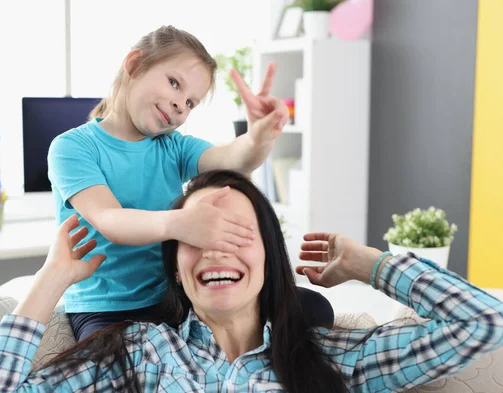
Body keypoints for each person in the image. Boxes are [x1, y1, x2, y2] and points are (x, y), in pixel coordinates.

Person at [0, 170, 503, 393]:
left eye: (239, 233)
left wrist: (368, 264)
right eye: (196, 235)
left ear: (270, 256)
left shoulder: (335, 359)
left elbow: (487, 321)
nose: (218, 248)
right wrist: (52, 278)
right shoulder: (140, 352)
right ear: (175, 266)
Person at [47, 25, 333, 340]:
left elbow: (232, 160)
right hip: (106, 306)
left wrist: (257, 137)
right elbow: (111, 221)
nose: (180, 105)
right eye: (174, 83)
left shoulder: (174, 146)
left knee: (313, 309)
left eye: (191, 102)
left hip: (174, 297)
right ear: (134, 65)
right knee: (113, 369)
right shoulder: (72, 147)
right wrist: (183, 224)